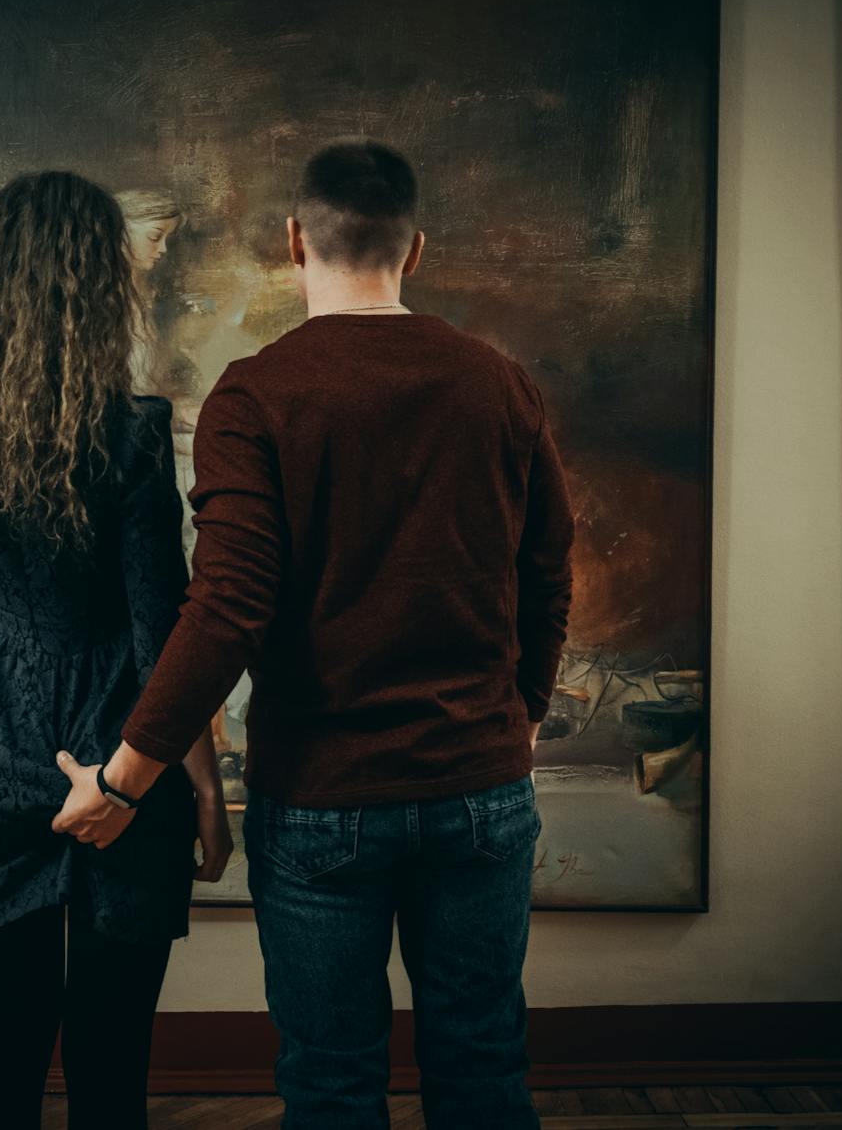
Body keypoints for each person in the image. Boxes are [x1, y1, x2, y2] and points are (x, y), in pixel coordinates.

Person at [54, 140, 577, 1128]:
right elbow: (547, 570)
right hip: (480, 790)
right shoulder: (498, 384)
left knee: (332, 1080)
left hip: (323, 803)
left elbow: (225, 611)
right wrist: (523, 714)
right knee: (482, 1064)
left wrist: (123, 780)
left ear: (294, 240)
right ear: (413, 248)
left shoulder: (255, 396)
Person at [0, 170, 232, 1130]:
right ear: (98, 285)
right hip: (130, 758)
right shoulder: (128, 433)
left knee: (5, 1048)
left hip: (0, 754)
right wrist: (204, 788)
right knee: (109, 1058)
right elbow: (160, 626)